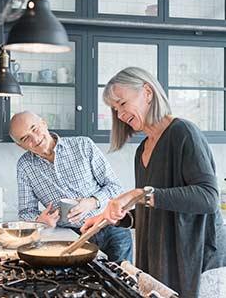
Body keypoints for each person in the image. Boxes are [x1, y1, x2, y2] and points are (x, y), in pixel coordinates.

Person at [81, 67, 226, 298]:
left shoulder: (183, 132)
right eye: (115, 108)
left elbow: (208, 198)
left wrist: (139, 194)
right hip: (161, 258)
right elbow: (154, 208)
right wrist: (117, 219)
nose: (119, 114)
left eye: (122, 103)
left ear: (147, 92)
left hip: (194, 259)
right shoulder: (143, 150)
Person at [9, 111, 133, 263]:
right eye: (25, 138)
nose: (34, 139)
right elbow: (25, 212)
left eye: (34, 129)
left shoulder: (83, 145)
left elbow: (115, 188)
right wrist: (39, 221)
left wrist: (92, 202)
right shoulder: (25, 166)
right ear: (19, 145)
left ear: (44, 123)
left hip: (111, 227)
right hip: (73, 237)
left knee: (122, 281)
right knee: (85, 284)